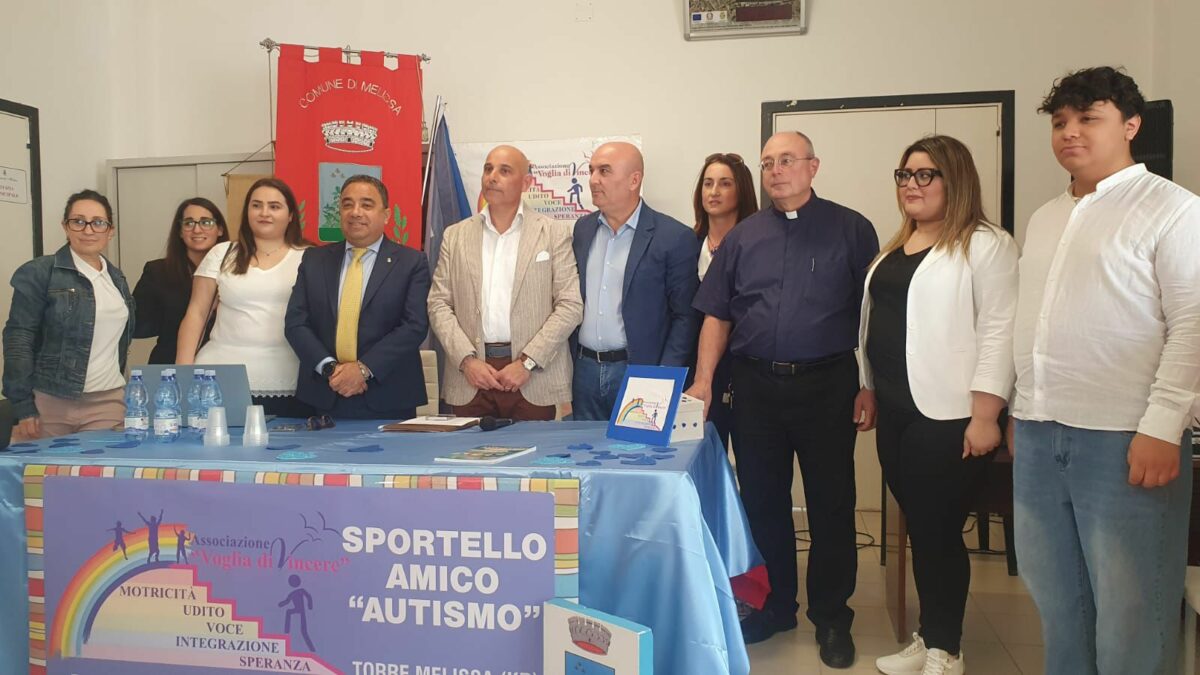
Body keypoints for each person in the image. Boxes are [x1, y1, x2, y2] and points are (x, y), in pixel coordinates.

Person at [1012, 66, 1200, 675]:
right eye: (1060, 121)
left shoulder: (1173, 210)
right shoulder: (1045, 217)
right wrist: (1022, 408)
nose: (1070, 131)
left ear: (1131, 125)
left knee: (1131, 614)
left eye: (1089, 118)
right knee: (1058, 605)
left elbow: (1194, 323)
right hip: (1040, 433)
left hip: (1125, 437)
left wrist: (1164, 425)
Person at [687, 131, 879, 667]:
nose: (775, 170)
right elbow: (717, 314)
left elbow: (873, 317)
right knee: (763, 502)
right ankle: (775, 607)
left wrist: (870, 384)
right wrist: (704, 381)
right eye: (768, 162)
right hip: (755, 389)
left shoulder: (852, 229)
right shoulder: (743, 237)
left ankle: (832, 617)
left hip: (828, 386)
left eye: (787, 160)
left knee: (831, 504)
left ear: (813, 167)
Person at [863, 136, 1017, 675]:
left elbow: (1000, 330)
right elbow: (876, 324)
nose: (911, 184)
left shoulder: (986, 244)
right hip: (897, 411)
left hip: (949, 414)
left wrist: (986, 414)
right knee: (922, 529)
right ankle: (930, 634)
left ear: (956, 180)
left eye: (925, 174)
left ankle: (946, 650)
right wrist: (866, 385)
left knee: (938, 532)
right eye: (905, 174)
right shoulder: (897, 246)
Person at [428, 146, 582, 420]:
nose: (492, 177)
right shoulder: (455, 235)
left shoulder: (553, 233)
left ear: (526, 183)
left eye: (505, 171)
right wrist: (467, 361)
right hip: (470, 378)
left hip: (533, 378)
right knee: (466, 448)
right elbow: (438, 303)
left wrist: (528, 362)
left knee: (532, 448)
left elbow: (570, 305)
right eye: (488, 169)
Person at [571, 141, 700, 420]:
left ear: (634, 180)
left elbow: (685, 316)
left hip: (641, 371)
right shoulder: (583, 230)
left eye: (604, 171)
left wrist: (665, 375)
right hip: (584, 370)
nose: (593, 180)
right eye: (591, 170)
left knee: (636, 447)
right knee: (585, 447)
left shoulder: (673, 237)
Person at [285, 175, 431, 420]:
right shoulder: (314, 260)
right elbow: (296, 323)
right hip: (324, 393)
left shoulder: (411, 262)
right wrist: (331, 369)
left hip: (389, 395)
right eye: (347, 204)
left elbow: (414, 326)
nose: (355, 212)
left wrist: (363, 369)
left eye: (366, 204)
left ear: (386, 215)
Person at [3, 189, 135, 439]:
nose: (88, 230)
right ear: (65, 227)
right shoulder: (40, 272)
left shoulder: (116, 278)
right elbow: (19, 339)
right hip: (49, 400)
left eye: (98, 222)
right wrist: (22, 405)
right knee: (41, 466)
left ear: (110, 230)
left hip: (108, 400)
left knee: (104, 464)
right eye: (78, 221)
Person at [176, 177, 312, 417]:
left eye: (274, 206)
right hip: (221, 378)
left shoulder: (311, 257)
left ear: (291, 215)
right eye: (256, 205)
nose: (264, 213)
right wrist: (183, 373)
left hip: (291, 380)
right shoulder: (222, 253)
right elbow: (196, 313)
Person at [692, 152, 758, 451]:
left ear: (741, 190)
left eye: (725, 183)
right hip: (696, 371)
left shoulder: (758, 246)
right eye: (708, 183)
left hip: (745, 372)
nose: (714, 191)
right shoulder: (685, 245)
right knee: (701, 456)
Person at [132, 197, 228, 364]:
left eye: (206, 222)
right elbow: (137, 326)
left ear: (219, 229)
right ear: (180, 231)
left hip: (222, 364)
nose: (197, 229)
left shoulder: (234, 273)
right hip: (169, 363)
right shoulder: (158, 271)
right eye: (189, 223)